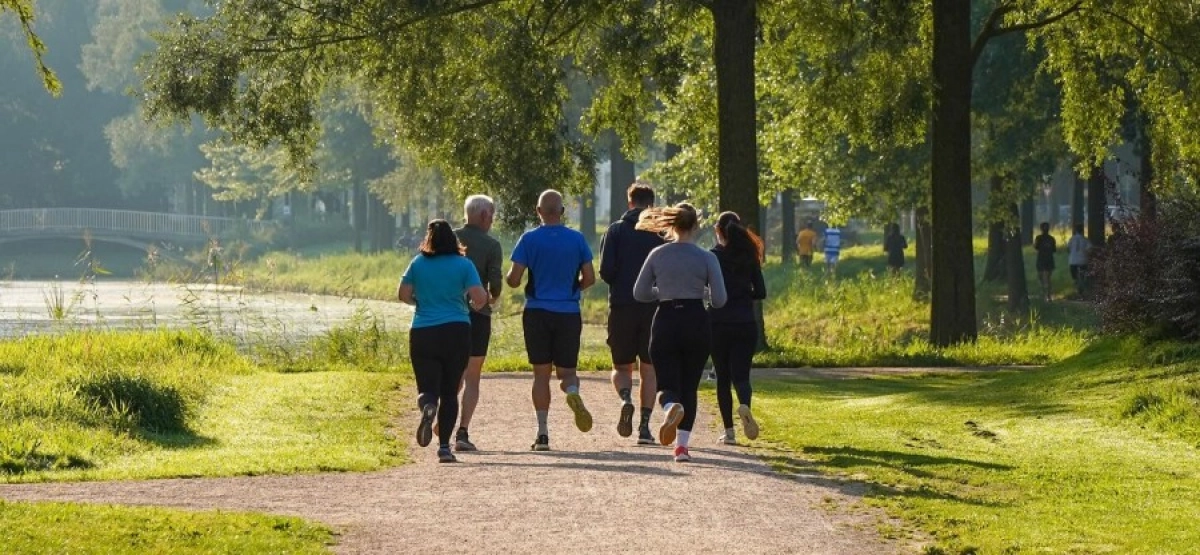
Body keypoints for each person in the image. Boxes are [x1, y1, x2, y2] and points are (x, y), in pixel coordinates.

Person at [633, 203, 727, 462]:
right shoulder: (707, 257)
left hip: (666, 318)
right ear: (696, 225)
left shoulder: (657, 254)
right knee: (690, 385)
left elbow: (639, 293)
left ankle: (670, 406)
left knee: (666, 383)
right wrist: (702, 293)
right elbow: (720, 299)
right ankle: (681, 448)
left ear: (672, 225)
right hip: (696, 320)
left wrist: (662, 292)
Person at [506, 190, 596, 451]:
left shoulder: (529, 239)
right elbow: (590, 278)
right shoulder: (577, 239)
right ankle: (572, 393)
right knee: (567, 373)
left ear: (538, 211)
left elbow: (514, 279)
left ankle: (543, 433)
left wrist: (511, 278)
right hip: (568, 312)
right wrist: (573, 289)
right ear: (562, 212)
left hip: (537, 312)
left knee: (541, 375)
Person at [397, 220, 490, 463]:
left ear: (429, 240)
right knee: (450, 392)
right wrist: (471, 304)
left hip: (423, 331)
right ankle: (445, 448)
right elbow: (480, 297)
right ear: (453, 239)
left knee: (427, 388)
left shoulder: (418, 263)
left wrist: (419, 302)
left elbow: (403, 294)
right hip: (456, 330)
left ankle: (428, 406)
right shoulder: (464, 264)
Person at [599, 182, 665, 444]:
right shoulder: (661, 232)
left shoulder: (615, 230)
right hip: (653, 307)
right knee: (649, 369)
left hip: (622, 305)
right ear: (651, 204)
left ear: (629, 202)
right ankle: (645, 428)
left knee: (620, 366)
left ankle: (626, 398)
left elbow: (606, 271)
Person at [451, 195, 504, 451]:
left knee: (453, 373)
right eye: (491, 215)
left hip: (449, 314)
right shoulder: (492, 245)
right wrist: (491, 298)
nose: (492, 220)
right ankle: (462, 432)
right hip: (478, 314)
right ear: (484, 216)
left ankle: (441, 417)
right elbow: (496, 285)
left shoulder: (449, 238)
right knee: (472, 376)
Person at [710, 212, 766, 446]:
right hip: (745, 323)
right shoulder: (749, 255)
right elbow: (761, 292)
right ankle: (745, 406)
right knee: (742, 376)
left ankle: (729, 432)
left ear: (719, 231)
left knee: (722, 378)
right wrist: (743, 295)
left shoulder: (713, 257)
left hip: (718, 323)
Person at [1034, 222, 1057, 302]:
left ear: (1041, 229)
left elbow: (1036, 247)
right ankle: (1049, 296)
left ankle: (1043, 295)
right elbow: (1054, 250)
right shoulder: (1052, 238)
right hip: (1049, 259)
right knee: (1048, 278)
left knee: (1041, 278)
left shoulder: (1038, 238)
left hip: (1041, 259)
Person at [1066, 223, 1088, 297]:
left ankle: (1076, 288)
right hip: (1083, 260)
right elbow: (1090, 249)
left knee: (1075, 277)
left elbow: (1068, 249)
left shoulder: (1071, 239)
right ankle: (1082, 290)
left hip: (1073, 261)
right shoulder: (1085, 240)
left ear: (1075, 231)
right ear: (1082, 231)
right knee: (1082, 276)